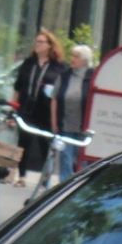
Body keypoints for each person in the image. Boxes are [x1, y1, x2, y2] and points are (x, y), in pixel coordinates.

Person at [10, 29, 65, 181]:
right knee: (23, 143)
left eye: (41, 42)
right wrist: (13, 109)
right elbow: (18, 87)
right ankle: (21, 176)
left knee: (44, 143)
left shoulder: (58, 67)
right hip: (26, 108)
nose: (38, 45)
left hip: (45, 110)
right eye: (37, 42)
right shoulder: (29, 63)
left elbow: (60, 91)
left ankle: (45, 177)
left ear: (49, 45)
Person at [48, 42, 95, 186]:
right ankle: (65, 186)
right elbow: (55, 98)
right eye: (72, 56)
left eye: (76, 56)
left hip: (83, 127)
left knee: (82, 159)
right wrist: (54, 121)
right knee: (65, 158)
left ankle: (82, 186)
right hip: (65, 124)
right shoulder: (64, 75)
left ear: (85, 60)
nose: (72, 59)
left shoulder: (92, 76)